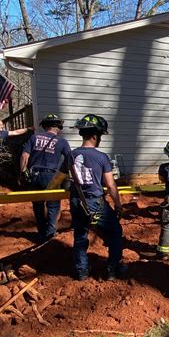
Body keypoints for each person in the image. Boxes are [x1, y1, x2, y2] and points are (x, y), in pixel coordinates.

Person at [69, 114, 125, 281]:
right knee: (115, 232)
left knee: (80, 235)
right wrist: (118, 204)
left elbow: (62, 178)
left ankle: (82, 272)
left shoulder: (71, 155)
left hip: (76, 201)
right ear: (95, 136)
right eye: (100, 135)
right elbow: (110, 184)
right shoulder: (101, 157)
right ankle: (113, 270)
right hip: (95, 203)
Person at [20, 113, 72, 243]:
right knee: (53, 206)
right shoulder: (62, 142)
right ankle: (49, 236)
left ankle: (41, 233)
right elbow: (70, 160)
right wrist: (66, 176)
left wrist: (23, 172)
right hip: (51, 176)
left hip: (34, 175)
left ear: (45, 126)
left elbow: (24, 156)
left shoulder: (34, 137)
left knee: (37, 205)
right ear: (58, 127)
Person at [0, 118, 33, 192]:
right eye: (0, 125)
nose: (2, 126)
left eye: (2, 125)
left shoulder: (2, 133)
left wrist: (28, 129)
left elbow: (15, 132)